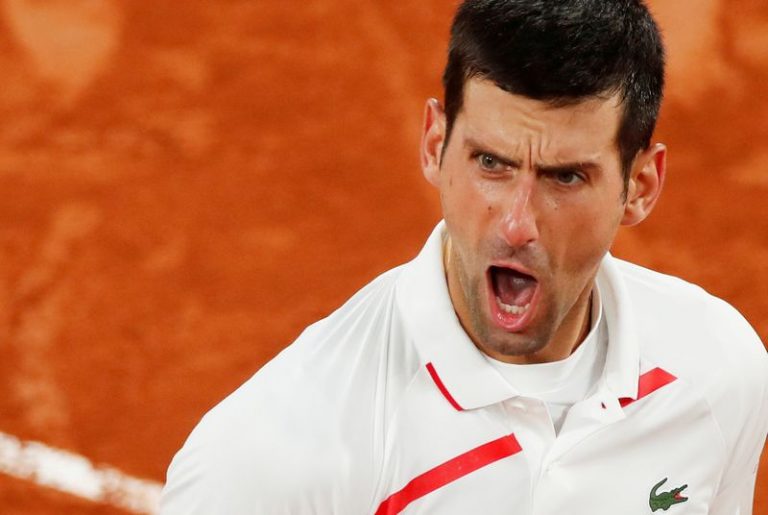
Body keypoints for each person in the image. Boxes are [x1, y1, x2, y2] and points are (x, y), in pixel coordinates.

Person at [161, 1, 768, 513]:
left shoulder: (717, 374)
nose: (516, 224)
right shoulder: (273, 459)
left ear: (639, 186)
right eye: (491, 164)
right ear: (434, 145)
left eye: (564, 178)